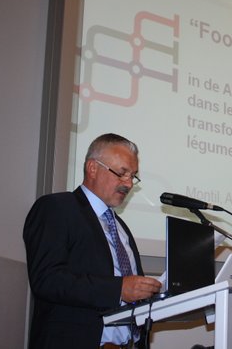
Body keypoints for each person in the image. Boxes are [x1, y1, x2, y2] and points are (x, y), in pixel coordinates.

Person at [23, 133, 162, 349]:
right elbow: (47, 279)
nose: (128, 184)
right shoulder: (56, 208)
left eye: (133, 176)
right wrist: (118, 289)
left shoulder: (121, 228)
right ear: (93, 168)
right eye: (122, 173)